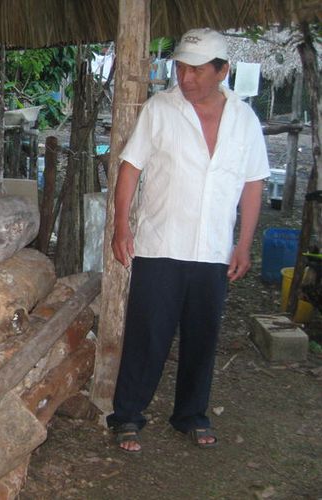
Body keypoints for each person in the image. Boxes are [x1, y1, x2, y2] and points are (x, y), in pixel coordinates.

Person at [106, 28, 270, 453]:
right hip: (161, 243)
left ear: (222, 71)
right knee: (148, 336)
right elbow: (130, 168)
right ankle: (127, 416)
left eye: (196, 69)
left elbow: (253, 185)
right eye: (180, 67)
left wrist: (243, 243)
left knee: (202, 337)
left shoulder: (245, 120)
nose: (186, 77)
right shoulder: (160, 110)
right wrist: (121, 226)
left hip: (213, 249)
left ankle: (191, 415)